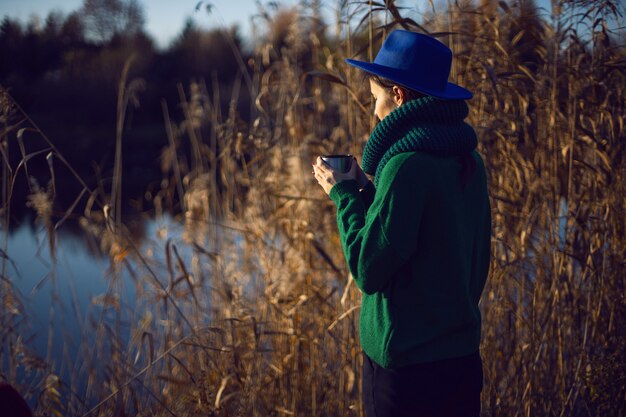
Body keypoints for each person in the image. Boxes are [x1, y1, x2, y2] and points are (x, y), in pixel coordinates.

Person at [312, 30, 491, 417]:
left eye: (375, 98)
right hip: (461, 361)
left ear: (398, 96)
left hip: (407, 374)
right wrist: (366, 190)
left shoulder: (405, 165)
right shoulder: (469, 161)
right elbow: (434, 240)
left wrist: (342, 196)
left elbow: (368, 268)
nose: (374, 111)